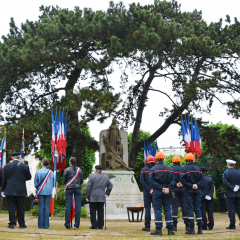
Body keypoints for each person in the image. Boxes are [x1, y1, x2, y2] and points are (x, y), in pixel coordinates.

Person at [1, 152, 31, 229]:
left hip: (10, 190)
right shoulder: (25, 166)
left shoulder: (7, 166)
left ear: (12, 158)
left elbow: (3, 180)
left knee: (11, 207)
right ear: (20, 158)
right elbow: (29, 177)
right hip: (21, 190)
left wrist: (3, 190)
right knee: (21, 207)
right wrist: (21, 179)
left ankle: (12, 223)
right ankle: (21, 224)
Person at [149, 151, 175, 236]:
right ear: (163, 159)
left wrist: (161, 188)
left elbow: (152, 181)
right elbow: (173, 180)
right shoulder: (169, 169)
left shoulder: (152, 169)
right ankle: (170, 229)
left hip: (157, 191)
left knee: (158, 210)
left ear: (155, 159)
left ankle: (159, 230)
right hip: (167, 191)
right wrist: (168, 188)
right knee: (167, 209)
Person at [180, 153, 204, 235]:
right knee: (198, 208)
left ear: (186, 160)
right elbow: (202, 180)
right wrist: (196, 185)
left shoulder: (184, 169)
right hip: (197, 190)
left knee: (190, 208)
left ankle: (192, 229)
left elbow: (182, 180)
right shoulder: (198, 169)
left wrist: (191, 185)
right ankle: (200, 229)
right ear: (193, 159)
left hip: (189, 190)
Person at [85, 165, 113, 229]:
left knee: (93, 211)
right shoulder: (106, 177)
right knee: (100, 211)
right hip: (101, 196)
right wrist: (107, 193)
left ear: (96, 170)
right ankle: (100, 225)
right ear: (101, 170)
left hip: (93, 197)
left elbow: (88, 187)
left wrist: (87, 196)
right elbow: (110, 185)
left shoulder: (92, 177)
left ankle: (94, 225)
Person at [63, 157, 83, 230]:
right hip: (77, 189)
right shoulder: (79, 170)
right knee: (78, 206)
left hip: (69, 189)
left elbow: (64, 181)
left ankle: (67, 224)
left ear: (70, 162)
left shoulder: (67, 169)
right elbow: (81, 181)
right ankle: (76, 225)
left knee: (68, 206)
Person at [34, 158, 55, 229]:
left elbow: (36, 183)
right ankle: (46, 225)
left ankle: (40, 225)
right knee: (46, 208)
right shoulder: (51, 172)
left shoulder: (38, 172)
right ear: (48, 164)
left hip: (41, 191)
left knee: (41, 208)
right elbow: (53, 184)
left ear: (42, 163)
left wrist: (38, 189)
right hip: (48, 192)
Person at [170, 155, 189, 231]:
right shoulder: (183, 169)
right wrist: (182, 184)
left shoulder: (171, 169)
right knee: (184, 206)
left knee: (174, 207)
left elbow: (170, 180)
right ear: (180, 161)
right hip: (183, 189)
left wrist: (176, 184)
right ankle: (187, 225)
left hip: (174, 189)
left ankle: (174, 225)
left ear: (173, 161)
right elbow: (187, 179)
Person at [222, 159, 240, 230]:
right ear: (234, 165)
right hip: (238, 193)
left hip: (230, 193)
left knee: (231, 209)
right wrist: (238, 187)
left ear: (228, 165)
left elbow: (225, 182)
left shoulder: (226, 172)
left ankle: (232, 225)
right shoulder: (238, 172)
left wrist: (232, 188)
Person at [140, 155, 156, 231]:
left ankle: (147, 226)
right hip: (156, 191)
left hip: (147, 192)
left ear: (146, 162)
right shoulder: (156, 169)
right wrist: (153, 189)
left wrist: (149, 189)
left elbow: (142, 181)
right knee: (157, 209)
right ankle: (158, 225)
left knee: (147, 208)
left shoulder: (143, 170)